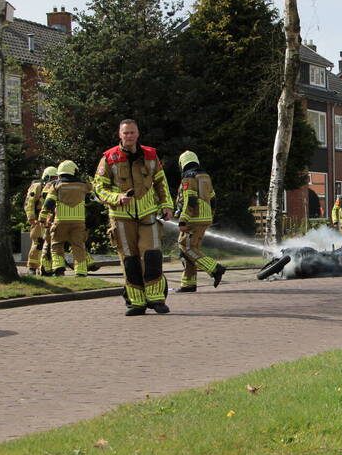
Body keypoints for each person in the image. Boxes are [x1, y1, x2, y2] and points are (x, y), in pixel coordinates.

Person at [93, 119, 174, 316]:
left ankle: (156, 300)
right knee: (130, 260)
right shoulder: (109, 158)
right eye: (125, 133)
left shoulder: (150, 155)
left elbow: (160, 182)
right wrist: (117, 198)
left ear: (138, 134)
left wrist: (167, 205)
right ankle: (136, 303)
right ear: (119, 135)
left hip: (148, 215)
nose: (129, 136)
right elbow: (98, 188)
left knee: (152, 255)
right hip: (121, 218)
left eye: (132, 132)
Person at [174, 150, 226, 293]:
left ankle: (215, 268)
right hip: (204, 218)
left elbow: (189, 200)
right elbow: (213, 198)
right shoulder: (205, 176)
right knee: (190, 249)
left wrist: (183, 220)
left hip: (193, 218)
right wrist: (211, 215)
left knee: (186, 246)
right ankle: (188, 283)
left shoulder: (188, 178)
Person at [40, 160, 92, 276]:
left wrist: (43, 217)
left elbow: (49, 202)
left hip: (61, 221)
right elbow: (92, 196)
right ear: (74, 171)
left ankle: (59, 268)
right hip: (79, 222)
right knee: (78, 246)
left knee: (57, 244)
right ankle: (81, 272)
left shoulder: (56, 185)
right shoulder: (84, 185)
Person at [23, 166, 56, 274]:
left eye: (56, 178)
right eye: (52, 178)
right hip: (38, 219)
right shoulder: (37, 186)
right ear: (46, 177)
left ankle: (45, 268)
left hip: (49, 219)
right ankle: (32, 267)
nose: (54, 180)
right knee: (38, 243)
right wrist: (31, 218)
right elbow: (29, 203)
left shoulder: (56, 187)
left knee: (49, 244)